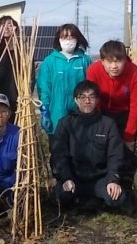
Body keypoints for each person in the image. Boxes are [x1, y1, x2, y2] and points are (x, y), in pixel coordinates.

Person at [51, 81, 127, 213]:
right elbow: (59, 155)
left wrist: (113, 180)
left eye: (91, 97)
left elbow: (115, 155)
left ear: (97, 100)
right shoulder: (65, 123)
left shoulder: (108, 124)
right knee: (59, 196)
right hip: (74, 178)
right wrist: (66, 178)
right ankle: (81, 201)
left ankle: (95, 201)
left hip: (100, 179)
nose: (87, 101)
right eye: (82, 97)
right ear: (75, 100)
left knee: (118, 198)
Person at [86, 40, 137, 188]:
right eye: (108, 61)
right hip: (102, 112)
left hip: (125, 113)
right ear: (102, 61)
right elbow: (92, 99)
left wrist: (130, 135)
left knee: (126, 151)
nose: (114, 66)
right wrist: (96, 125)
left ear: (125, 60)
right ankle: (102, 185)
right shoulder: (94, 70)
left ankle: (125, 186)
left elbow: (136, 105)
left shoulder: (135, 73)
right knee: (101, 147)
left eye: (119, 61)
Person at [36, 23, 89, 135]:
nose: (68, 40)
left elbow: (91, 86)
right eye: (65, 37)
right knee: (58, 148)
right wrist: (44, 111)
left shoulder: (84, 60)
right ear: (59, 39)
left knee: (79, 148)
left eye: (72, 37)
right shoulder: (50, 61)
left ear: (77, 39)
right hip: (56, 113)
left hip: (80, 113)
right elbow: (44, 88)